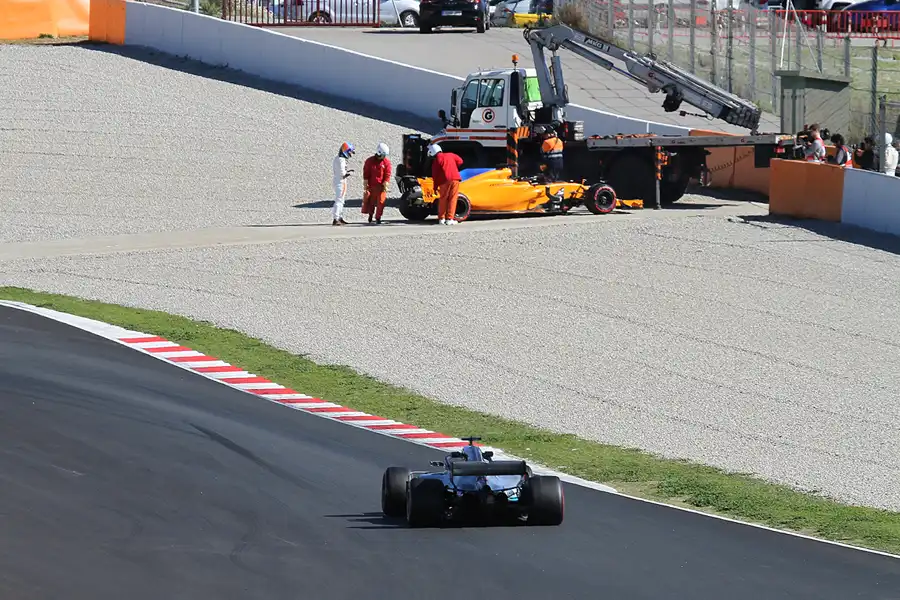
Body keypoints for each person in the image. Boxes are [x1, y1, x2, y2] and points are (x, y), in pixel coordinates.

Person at [428, 143, 464, 225]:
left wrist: (435, 187)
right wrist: (454, 166)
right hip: (455, 179)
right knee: (453, 199)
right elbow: (460, 161)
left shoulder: (436, 160)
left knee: (443, 199)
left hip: (444, 181)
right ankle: (450, 219)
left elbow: (435, 175)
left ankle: (441, 219)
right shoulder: (451, 155)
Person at [362, 142, 392, 225]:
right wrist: (365, 183)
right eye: (383, 155)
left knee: (381, 202)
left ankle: (378, 218)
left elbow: (387, 174)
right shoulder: (369, 161)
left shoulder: (386, 162)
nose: (384, 157)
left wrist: (386, 183)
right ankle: (370, 215)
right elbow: (366, 173)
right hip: (371, 186)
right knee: (371, 202)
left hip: (381, 187)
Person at [331, 142, 355, 226]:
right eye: (350, 152)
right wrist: (349, 173)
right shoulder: (341, 160)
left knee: (341, 200)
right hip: (341, 181)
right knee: (339, 200)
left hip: (338, 180)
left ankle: (339, 217)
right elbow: (342, 173)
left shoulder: (337, 158)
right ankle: (336, 218)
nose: (350, 154)